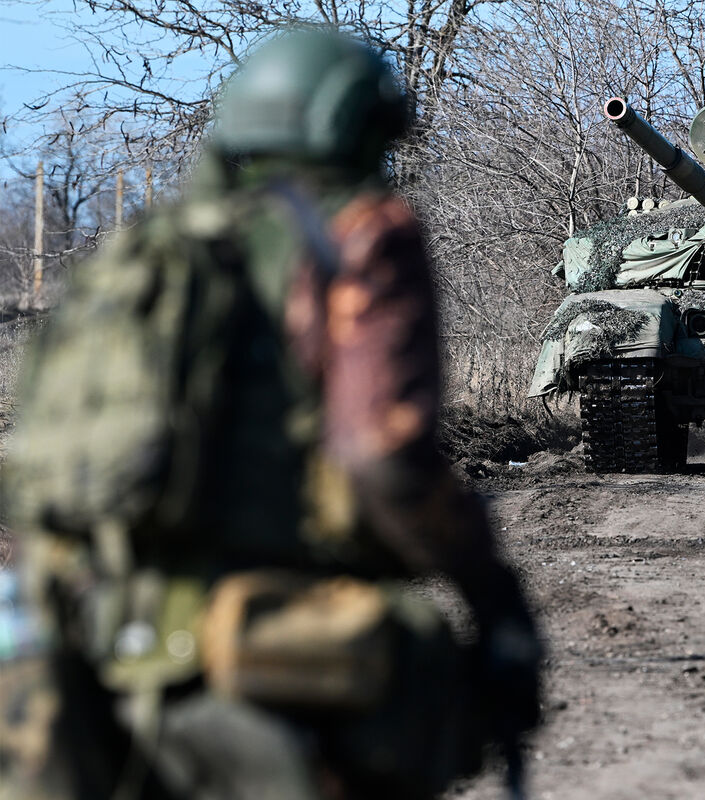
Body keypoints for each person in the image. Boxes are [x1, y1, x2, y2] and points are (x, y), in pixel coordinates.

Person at [0, 28, 540, 800]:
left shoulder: (146, 251)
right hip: (261, 659)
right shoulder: (362, 236)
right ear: (359, 127)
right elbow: (382, 456)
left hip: (89, 655)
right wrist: (492, 592)